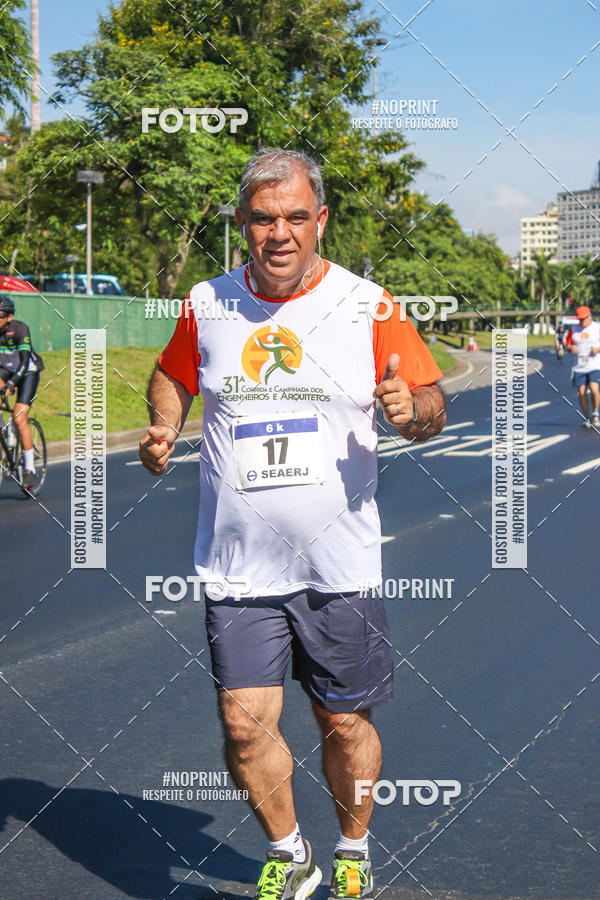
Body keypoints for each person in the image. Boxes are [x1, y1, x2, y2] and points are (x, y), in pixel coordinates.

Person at [139, 148, 446, 899]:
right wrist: (162, 425)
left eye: (296, 217)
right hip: (238, 565)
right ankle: (290, 851)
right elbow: (174, 373)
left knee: (342, 723)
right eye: (264, 219)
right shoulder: (208, 302)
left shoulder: (367, 304)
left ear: (321, 221)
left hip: (338, 566)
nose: (280, 233)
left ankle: (352, 845)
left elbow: (433, 401)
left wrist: (413, 413)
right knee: (245, 727)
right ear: (243, 223)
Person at [0, 295, 44, 489]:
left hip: (27, 372)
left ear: (9, 316)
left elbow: (24, 363)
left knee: (19, 417)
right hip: (5, 370)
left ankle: (29, 469)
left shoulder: (20, 329)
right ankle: (4, 434)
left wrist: (11, 384)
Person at [565, 305, 600, 428]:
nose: (581, 322)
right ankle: (587, 417)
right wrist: (571, 348)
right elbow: (567, 345)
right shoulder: (573, 329)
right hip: (580, 365)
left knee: (594, 389)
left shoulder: (597, 328)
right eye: (579, 319)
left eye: (583, 319)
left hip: (595, 364)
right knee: (581, 392)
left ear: (589, 316)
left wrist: (597, 349)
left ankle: (595, 413)